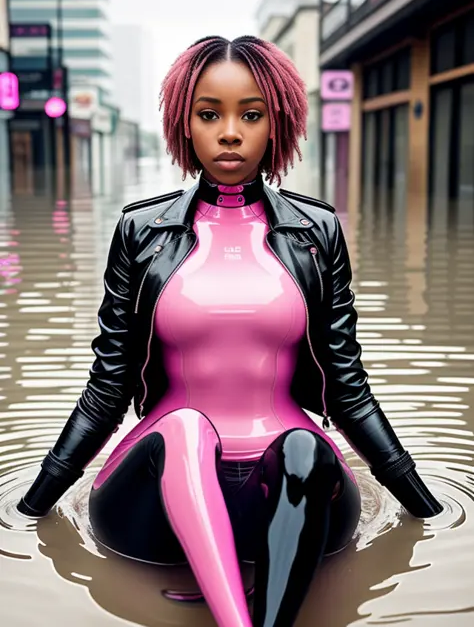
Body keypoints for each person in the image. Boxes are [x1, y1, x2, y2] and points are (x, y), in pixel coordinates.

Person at [17, 36, 443, 627]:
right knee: (189, 427)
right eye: (209, 114)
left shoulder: (315, 232)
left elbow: (347, 386)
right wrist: (34, 503)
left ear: (279, 122)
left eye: (251, 114)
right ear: (183, 124)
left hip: (289, 503)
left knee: (304, 448)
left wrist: (424, 506)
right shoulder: (142, 231)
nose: (230, 133)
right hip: (155, 506)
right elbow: (107, 387)